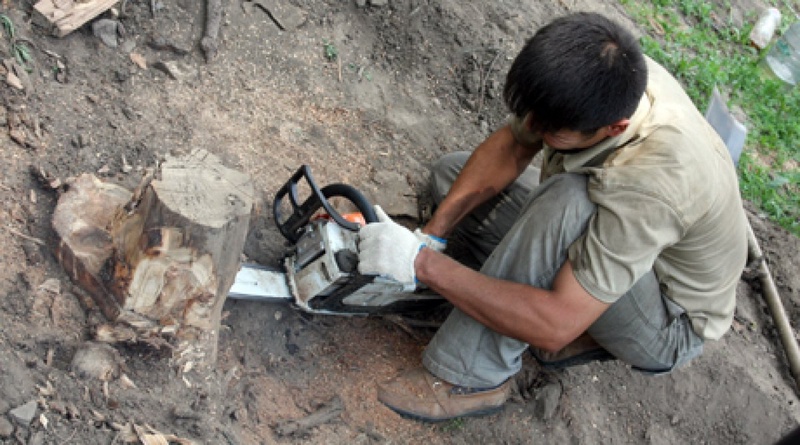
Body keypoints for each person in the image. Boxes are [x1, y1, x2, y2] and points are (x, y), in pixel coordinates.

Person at [357, 12, 748, 422]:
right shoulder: (606, 73)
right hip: (624, 237)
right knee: (452, 177)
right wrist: (431, 237)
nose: (535, 131)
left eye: (551, 133)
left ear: (614, 129)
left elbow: (555, 326)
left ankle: (471, 378)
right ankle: (540, 297)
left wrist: (420, 264)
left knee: (569, 201)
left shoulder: (653, 184)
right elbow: (512, 146)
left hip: (666, 319)